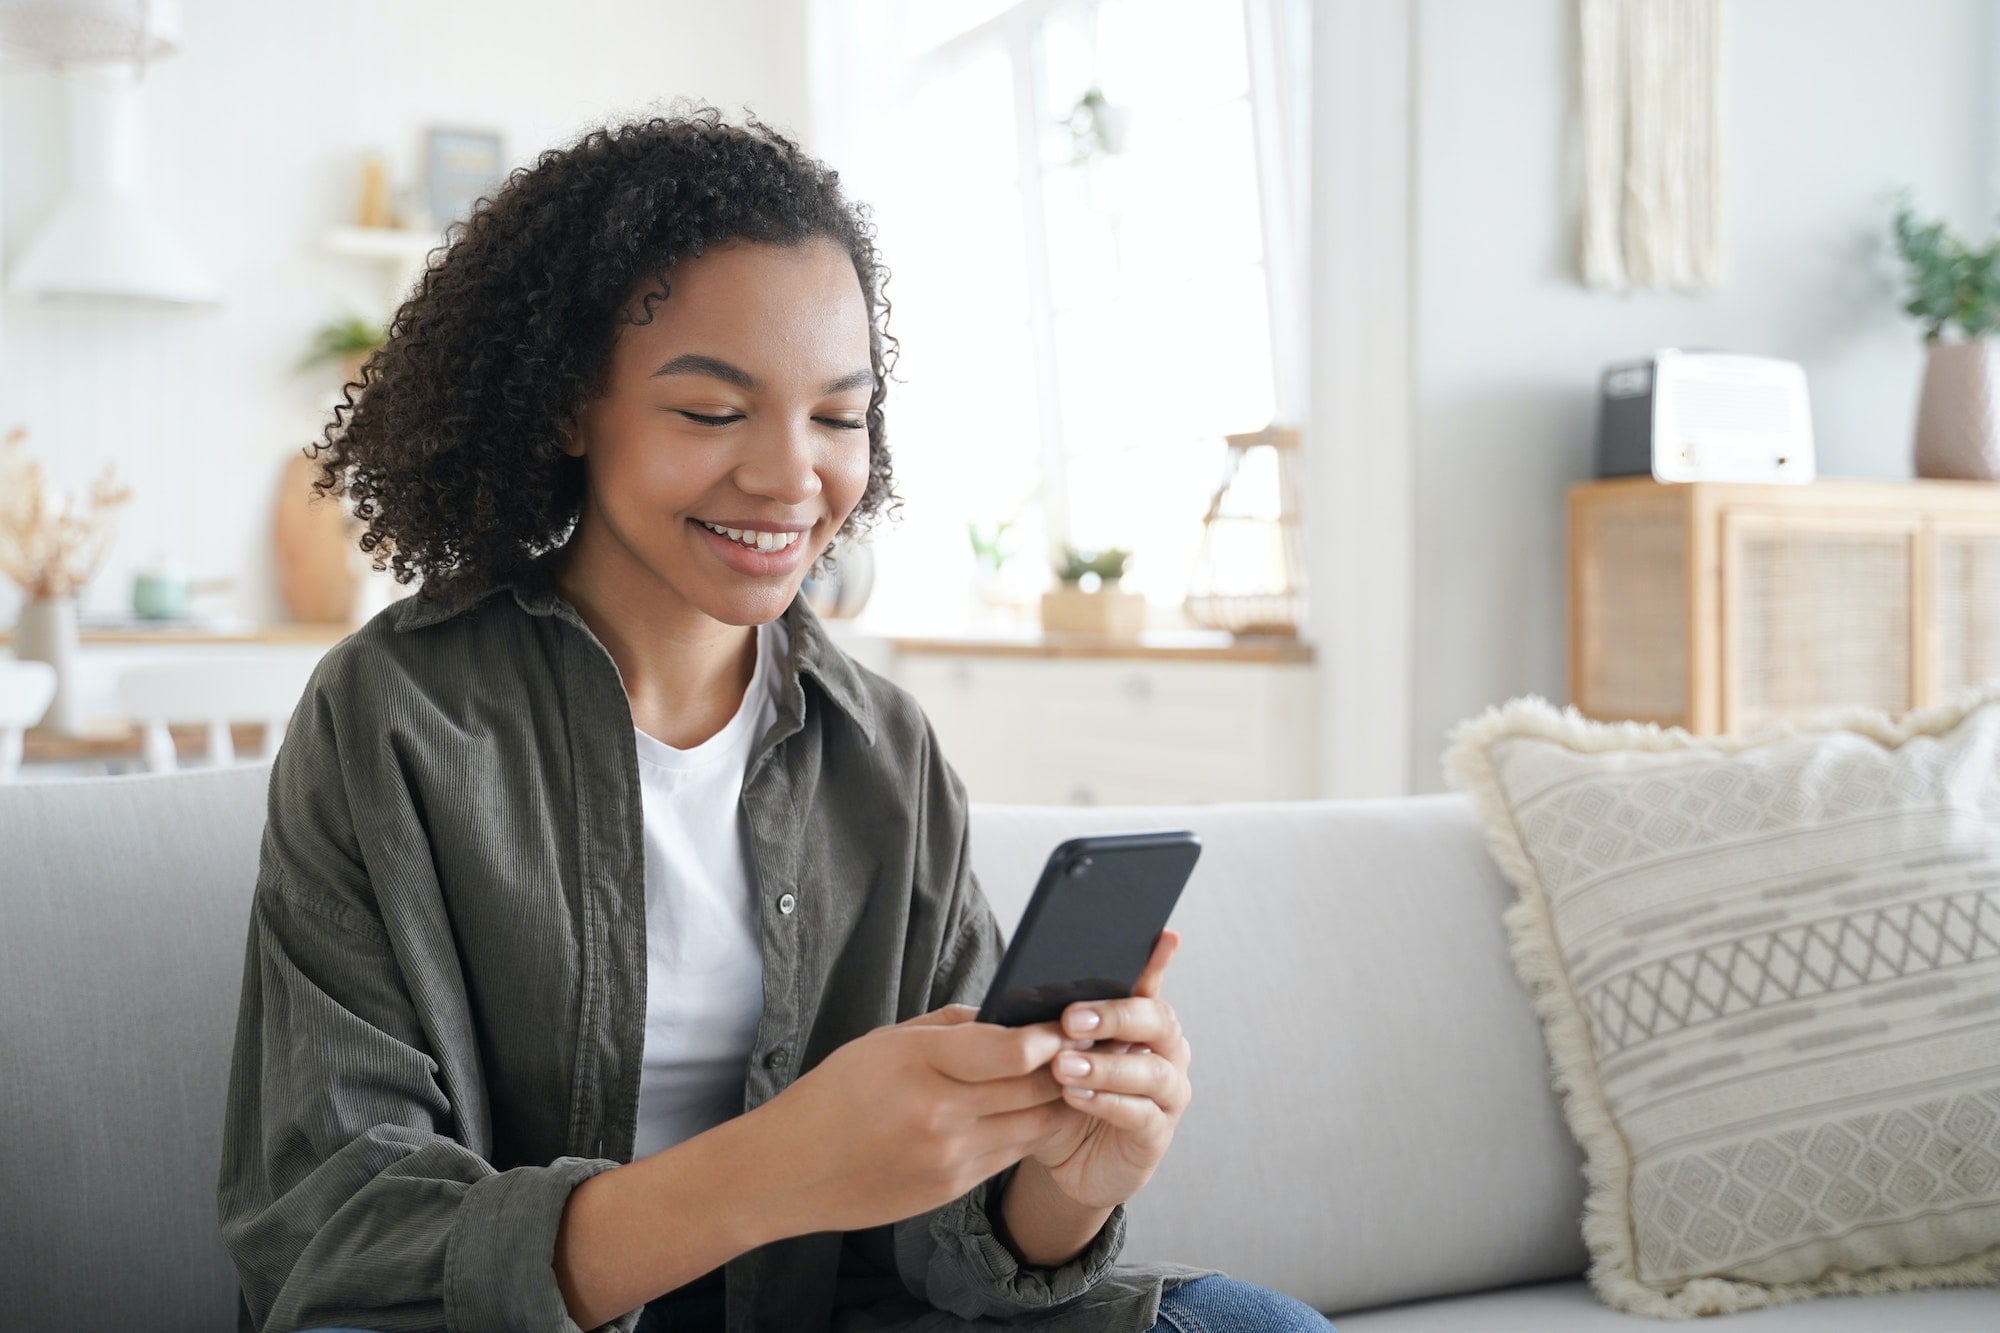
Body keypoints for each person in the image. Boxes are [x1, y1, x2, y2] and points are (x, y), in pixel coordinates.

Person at [216, 105, 1334, 1333]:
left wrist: (1060, 1191)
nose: (791, 477)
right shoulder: (395, 718)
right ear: (566, 407)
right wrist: (777, 1165)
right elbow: (339, 1234)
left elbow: (944, 1257)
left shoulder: (884, 750)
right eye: (710, 411)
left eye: (839, 417)